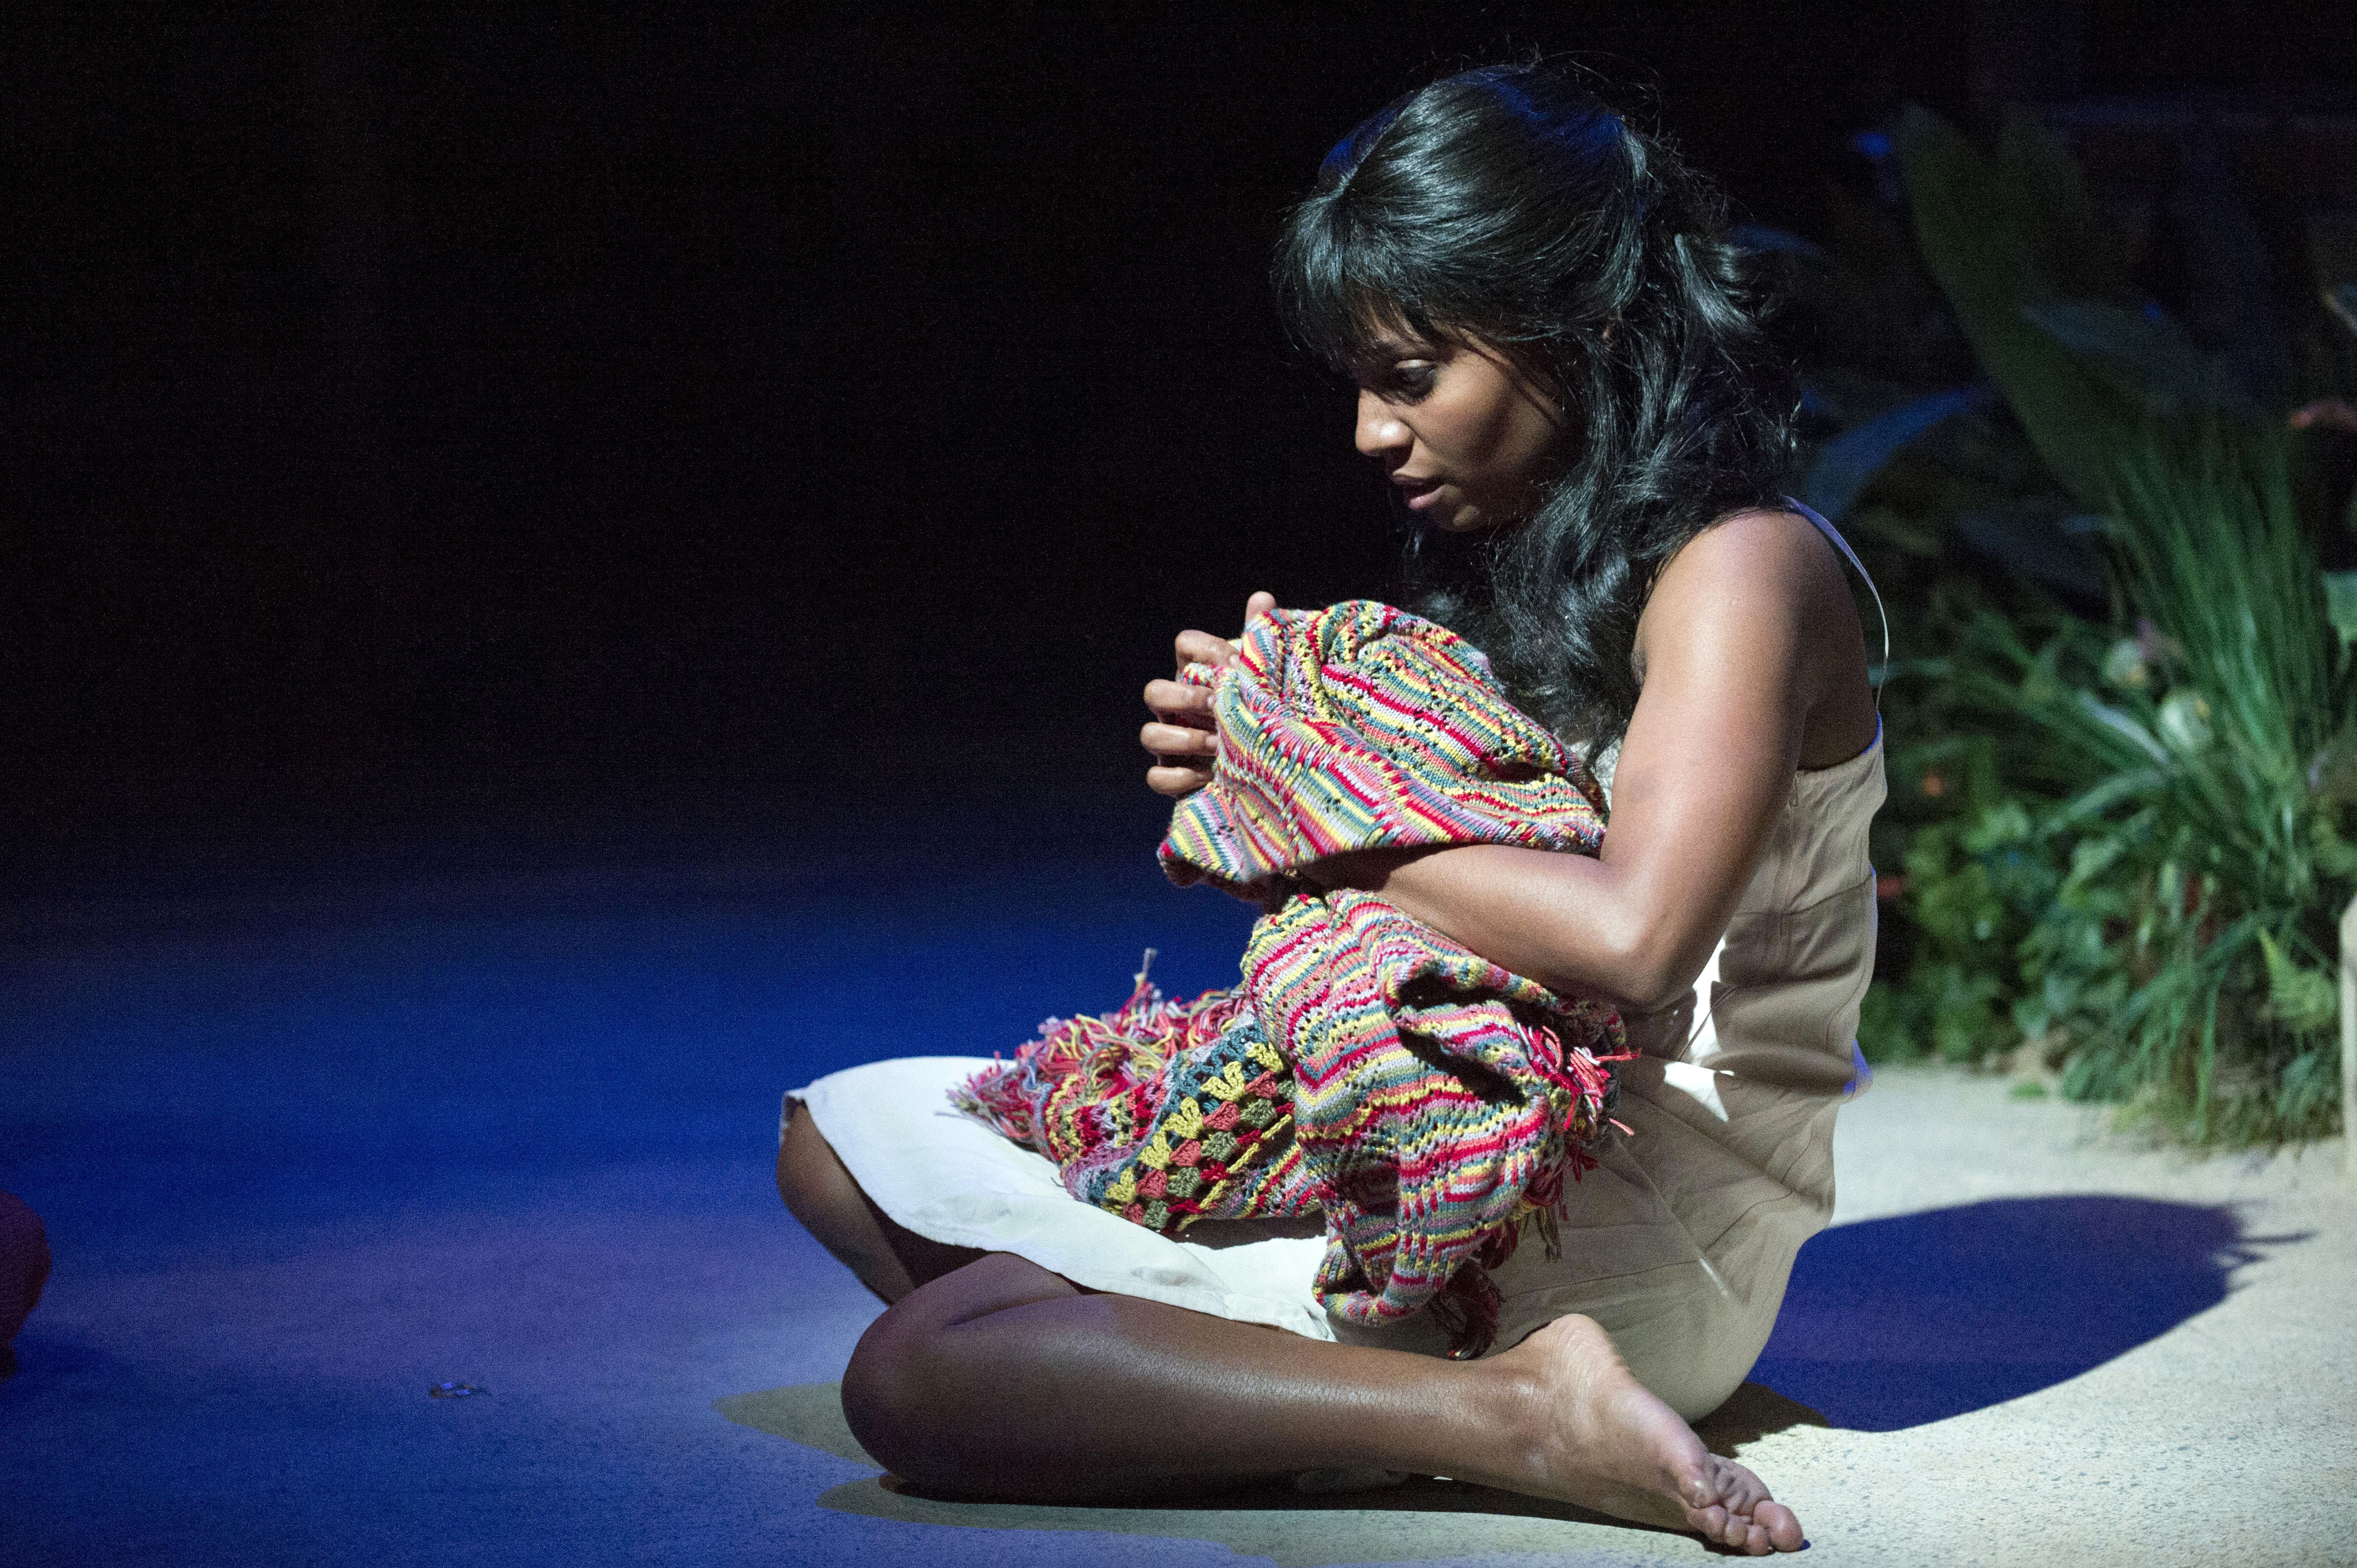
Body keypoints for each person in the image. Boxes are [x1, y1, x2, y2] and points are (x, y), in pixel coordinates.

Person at [776, 62, 1884, 1556]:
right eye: (1357, 379)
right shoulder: (1535, 559)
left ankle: (1517, 1413)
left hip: (1637, 1206)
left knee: (919, 1377)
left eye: (1413, 373)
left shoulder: (1745, 570)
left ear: (1590, 334)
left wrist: (1303, 814)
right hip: (1469, 1123)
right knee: (840, 1144)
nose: (1370, 429)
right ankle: (1247, 1375)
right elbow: (1442, 882)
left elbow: (1630, 942)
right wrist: (1270, 745)